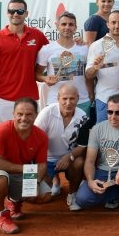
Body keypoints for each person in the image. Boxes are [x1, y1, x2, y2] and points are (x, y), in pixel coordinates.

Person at [0, 98, 50, 234]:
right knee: (1, 179)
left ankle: (14, 202)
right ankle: (0, 216)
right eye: (20, 114)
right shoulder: (1, 130)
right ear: (13, 114)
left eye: (29, 114)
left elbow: (41, 165)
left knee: (44, 195)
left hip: (18, 173)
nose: (24, 118)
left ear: (35, 115)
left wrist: (36, 182)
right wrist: (25, 170)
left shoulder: (41, 136)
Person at [0, 0, 49, 133]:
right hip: (2, 97)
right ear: (7, 13)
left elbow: (54, 53)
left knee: (28, 136)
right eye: (12, 11)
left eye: (20, 11)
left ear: (26, 13)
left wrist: (77, 44)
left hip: (29, 96)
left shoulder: (37, 35)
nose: (15, 14)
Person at [34, 84, 92, 212]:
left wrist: (68, 157)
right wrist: (41, 164)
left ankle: (72, 194)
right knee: (42, 196)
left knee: (79, 162)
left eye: (72, 99)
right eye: (64, 99)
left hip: (69, 157)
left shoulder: (83, 116)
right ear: (58, 98)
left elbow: (82, 146)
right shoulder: (46, 113)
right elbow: (34, 140)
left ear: (78, 99)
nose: (68, 103)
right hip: (46, 158)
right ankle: (55, 181)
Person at [35, 11, 91, 114]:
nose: (67, 27)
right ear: (57, 26)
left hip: (81, 101)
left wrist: (91, 96)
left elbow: (89, 75)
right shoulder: (46, 50)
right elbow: (36, 74)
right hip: (55, 102)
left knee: (82, 131)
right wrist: (45, 78)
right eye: (64, 24)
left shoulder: (84, 48)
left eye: (71, 24)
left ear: (75, 27)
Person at [85, 10, 119, 122]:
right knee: (104, 137)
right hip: (104, 100)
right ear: (108, 24)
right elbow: (88, 75)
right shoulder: (96, 46)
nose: (117, 26)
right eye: (113, 22)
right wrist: (95, 68)